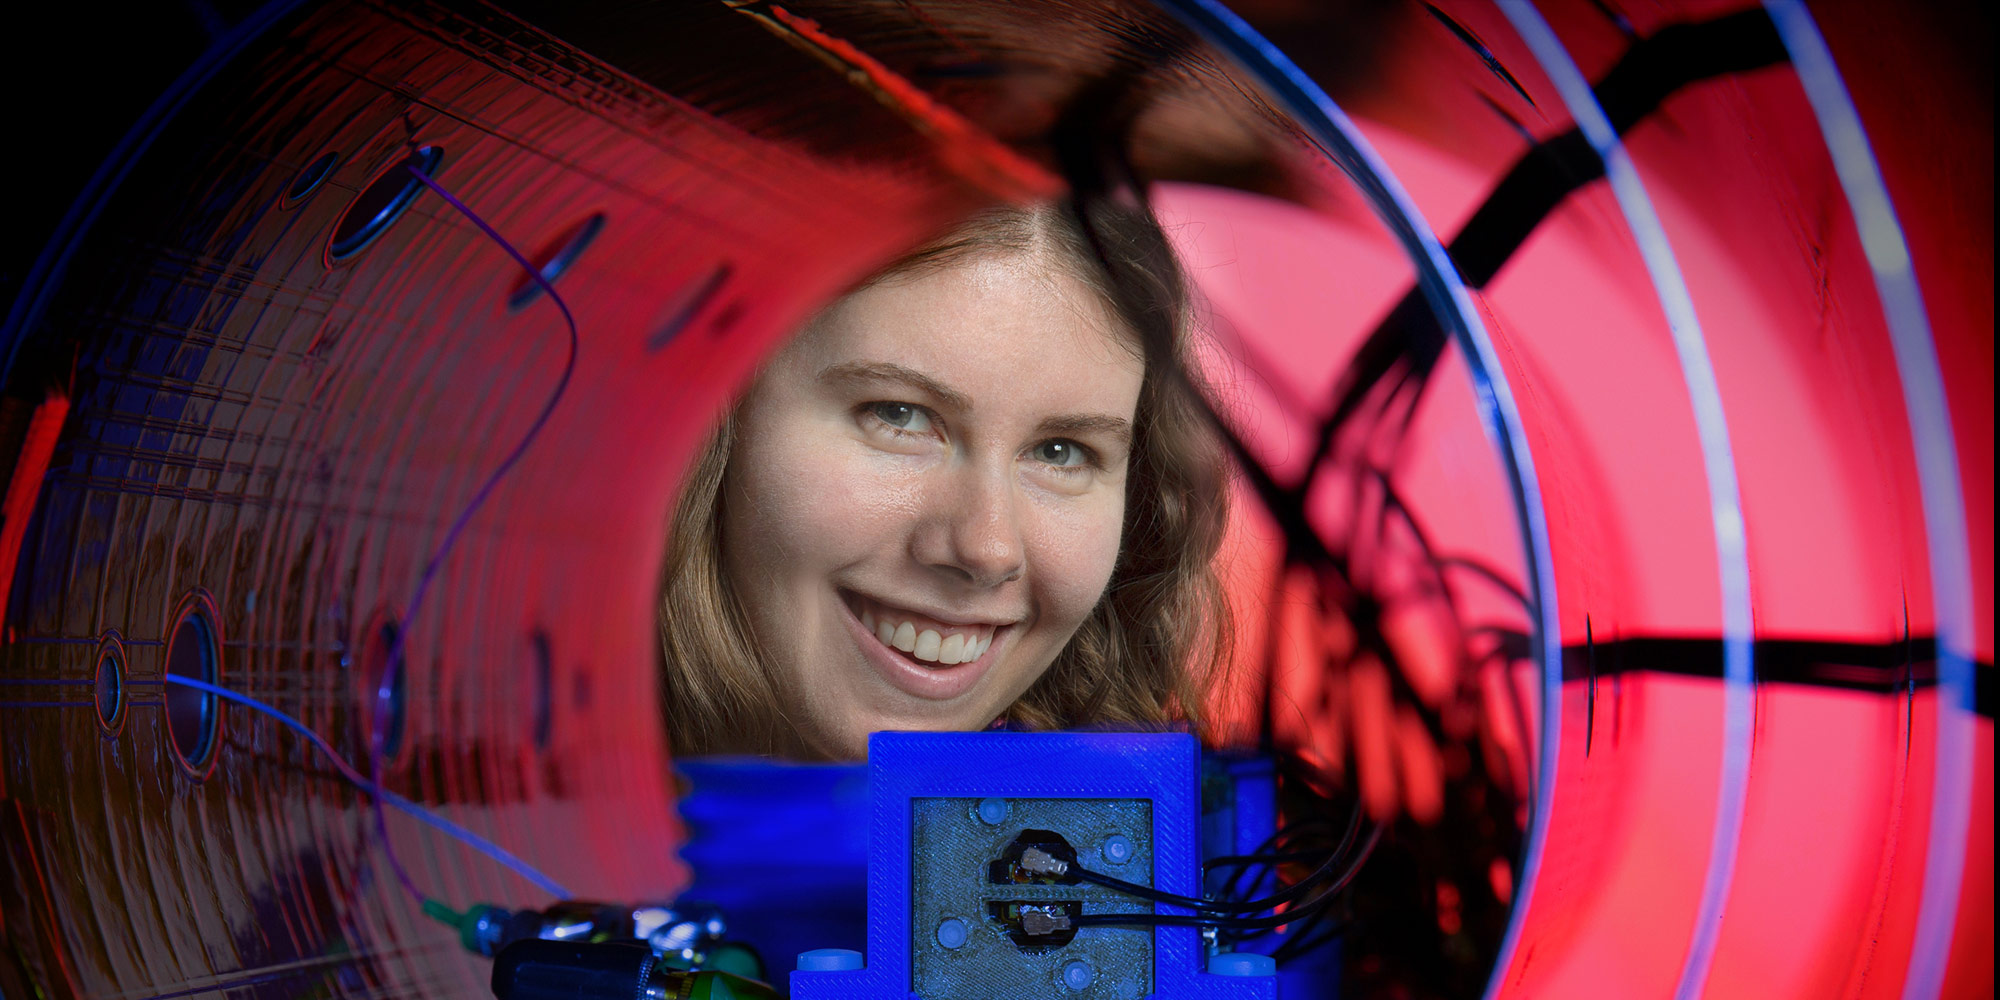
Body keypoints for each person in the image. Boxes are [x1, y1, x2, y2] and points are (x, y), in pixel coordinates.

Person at [659, 199, 1232, 760]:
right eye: (897, 415)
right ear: (712, 415)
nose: (987, 548)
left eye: (1061, 453)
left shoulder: (1190, 846)